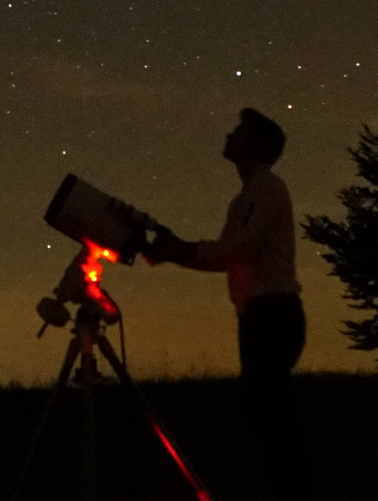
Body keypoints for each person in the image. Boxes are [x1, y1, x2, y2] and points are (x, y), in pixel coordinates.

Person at [146, 107, 305, 499]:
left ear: (257, 144)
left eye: (240, 131)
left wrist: (179, 251)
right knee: (265, 419)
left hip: (272, 314)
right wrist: (178, 251)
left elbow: (237, 251)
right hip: (258, 315)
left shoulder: (267, 189)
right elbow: (226, 255)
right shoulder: (248, 196)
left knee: (271, 420)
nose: (229, 135)